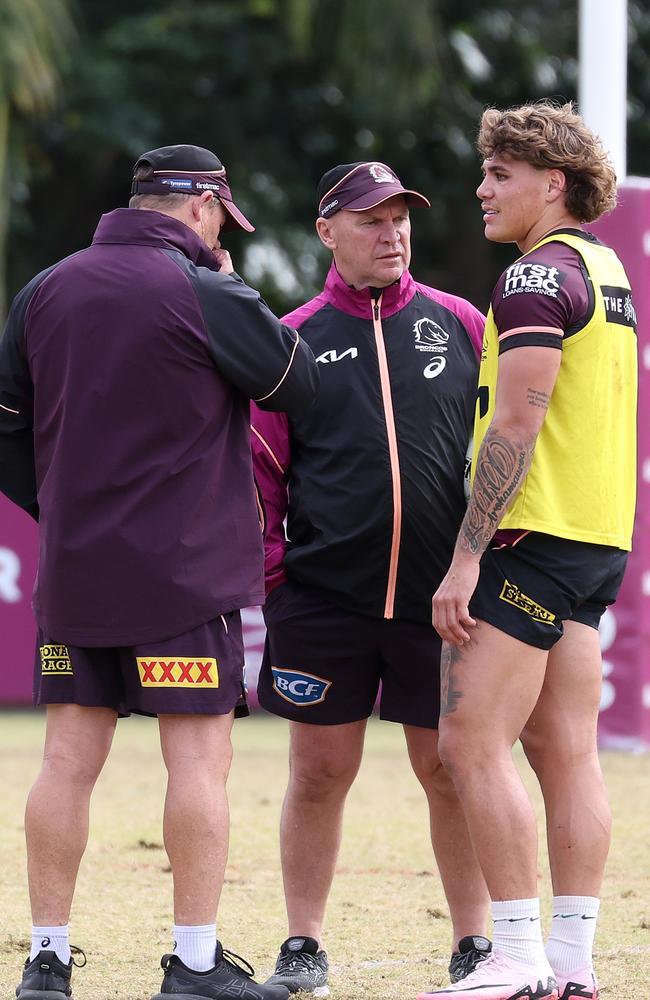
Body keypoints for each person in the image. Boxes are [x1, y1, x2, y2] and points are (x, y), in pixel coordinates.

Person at [0, 143, 319, 1000]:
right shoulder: (207, 288)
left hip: (75, 575)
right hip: (183, 583)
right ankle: (196, 965)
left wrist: (59, 511)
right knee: (198, 761)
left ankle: (46, 962)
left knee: (65, 760)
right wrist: (225, 280)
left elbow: (4, 425)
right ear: (204, 208)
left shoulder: (43, 290)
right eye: (223, 221)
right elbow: (295, 385)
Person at [251, 160, 492, 997]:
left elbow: (504, 450)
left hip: (444, 604)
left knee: (450, 773)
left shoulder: (461, 322)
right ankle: (303, 944)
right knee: (318, 774)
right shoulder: (291, 338)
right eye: (369, 219)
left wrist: (476, 569)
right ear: (327, 231)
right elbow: (261, 476)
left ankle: (475, 942)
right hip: (322, 603)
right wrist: (280, 584)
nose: (391, 233)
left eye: (400, 218)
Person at [419, 102, 637, 1000]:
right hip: (594, 542)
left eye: (499, 174)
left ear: (553, 183)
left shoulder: (535, 279)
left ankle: (513, 955)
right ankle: (573, 963)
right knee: (567, 753)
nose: (481, 189)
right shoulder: (607, 267)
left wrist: (467, 557)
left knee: (467, 745)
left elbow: (517, 421)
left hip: (530, 537)